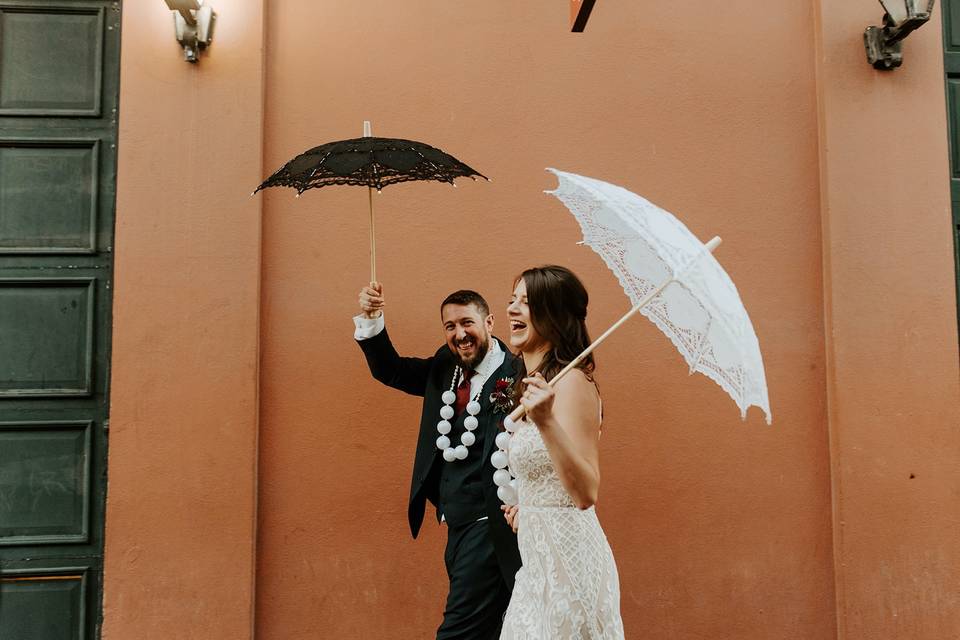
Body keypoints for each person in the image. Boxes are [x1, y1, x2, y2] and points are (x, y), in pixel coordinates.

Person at [354, 282, 522, 640]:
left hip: (491, 525)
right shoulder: (446, 367)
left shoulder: (517, 375)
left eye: (467, 323)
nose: (460, 334)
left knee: (459, 632)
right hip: (456, 523)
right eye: (450, 326)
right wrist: (372, 318)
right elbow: (392, 370)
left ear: (489, 322)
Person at [497, 265, 625, 639]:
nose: (512, 310)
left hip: (571, 565)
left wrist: (546, 421)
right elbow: (550, 476)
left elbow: (585, 492)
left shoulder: (572, 384)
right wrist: (530, 508)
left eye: (527, 302)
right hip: (536, 565)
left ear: (553, 316)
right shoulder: (537, 385)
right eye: (512, 300)